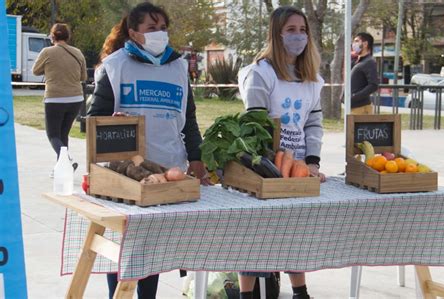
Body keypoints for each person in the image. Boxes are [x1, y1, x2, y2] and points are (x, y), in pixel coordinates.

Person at [87, 3, 210, 298]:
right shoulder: (115, 66)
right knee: (125, 248)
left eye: (163, 28)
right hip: (127, 172)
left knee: (152, 250)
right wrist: (108, 123)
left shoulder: (178, 67)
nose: (160, 34)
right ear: (133, 33)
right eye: (151, 29)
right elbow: (93, 119)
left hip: (167, 172)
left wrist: (196, 159)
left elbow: (189, 119)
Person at [237, 6, 326, 299]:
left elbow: (313, 123)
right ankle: (247, 295)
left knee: (294, 233)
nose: (298, 36)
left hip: (298, 167)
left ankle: (301, 293)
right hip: (265, 165)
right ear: (276, 34)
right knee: (255, 235)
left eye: (302, 30)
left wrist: (311, 163)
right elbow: (256, 124)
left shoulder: (312, 78)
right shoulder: (260, 74)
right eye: (291, 30)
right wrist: (273, 168)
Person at [32, 23, 87, 175]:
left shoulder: (47, 52)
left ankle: (66, 162)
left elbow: (35, 71)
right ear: (68, 36)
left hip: (55, 98)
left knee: (53, 135)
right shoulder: (77, 53)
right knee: (63, 135)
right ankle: (61, 169)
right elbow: (83, 77)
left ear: (52, 36)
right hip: (76, 98)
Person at [350, 32, 379, 115]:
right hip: (353, 107)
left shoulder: (369, 62)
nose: (353, 44)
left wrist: (355, 96)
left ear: (365, 44)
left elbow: (373, 85)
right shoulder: (357, 61)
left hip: (361, 108)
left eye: (356, 41)